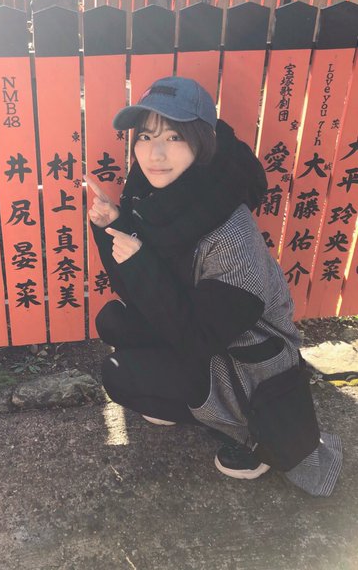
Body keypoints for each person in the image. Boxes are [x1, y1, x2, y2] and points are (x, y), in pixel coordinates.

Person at [87, 76, 342, 497]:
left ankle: (253, 439)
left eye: (174, 137)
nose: (155, 153)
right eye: (146, 136)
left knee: (121, 376)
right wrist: (111, 227)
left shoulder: (231, 233)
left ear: (203, 143)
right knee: (116, 321)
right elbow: (137, 294)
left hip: (247, 363)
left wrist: (140, 261)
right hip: (200, 333)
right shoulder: (158, 201)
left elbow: (198, 335)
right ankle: (184, 401)